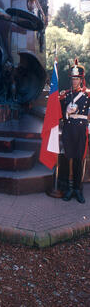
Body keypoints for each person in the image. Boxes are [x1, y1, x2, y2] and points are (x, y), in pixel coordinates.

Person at [59, 60, 90, 203]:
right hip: (69, 129)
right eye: (72, 79)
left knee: (79, 159)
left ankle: (78, 189)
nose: (74, 81)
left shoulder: (87, 95)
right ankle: (68, 188)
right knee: (68, 158)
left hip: (81, 130)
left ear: (81, 79)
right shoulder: (65, 95)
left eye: (77, 78)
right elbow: (58, 113)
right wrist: (66, 111)